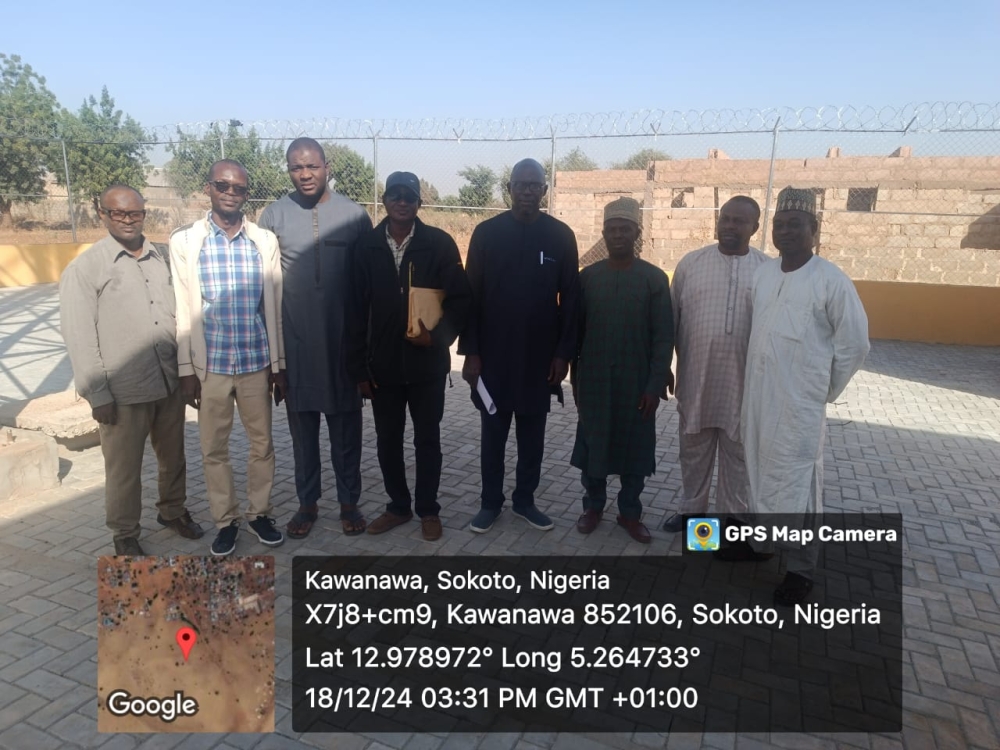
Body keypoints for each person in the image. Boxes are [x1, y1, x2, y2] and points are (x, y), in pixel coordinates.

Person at [733, 186, 870, 605]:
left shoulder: (831, 280)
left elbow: (855, 344)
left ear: (815, 228)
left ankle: (801, 569)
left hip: (799, 406)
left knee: (800, 483)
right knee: (757, 468)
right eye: (779, 224)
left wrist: (822, 390)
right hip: (759, 398)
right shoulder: (763, 274)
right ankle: (761, 546)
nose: (786, 231)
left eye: (796, 224)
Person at [60, 185, 204, 555]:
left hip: (168, 382)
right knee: (125, 470)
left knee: (174, 457)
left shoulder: (162, 258)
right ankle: (124, 532)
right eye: (118, 213)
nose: (127, 220)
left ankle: (172, 511)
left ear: (144, 214)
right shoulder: (86, 269)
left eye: (135, 213)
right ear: (102, 215)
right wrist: (98, 393)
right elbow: (80, 336)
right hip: (122, 393)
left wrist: (187, 373)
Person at [170, 160, 287, 556]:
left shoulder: (263, 241)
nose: (231, 193)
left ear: (246, 194)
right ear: (209, 188)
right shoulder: (186, 242)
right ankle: (226, 520)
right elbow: (183, 310)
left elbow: (274, 306)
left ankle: (259, 514)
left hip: (255, 361)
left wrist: (279, 365)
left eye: (239, 188)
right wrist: (187, 370)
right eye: (223, 185)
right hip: (211, 367)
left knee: (262, 445)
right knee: (214, 449)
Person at [259, 137, 373, 539]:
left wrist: (366, 355)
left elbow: (368, 288)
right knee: (303, 435)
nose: (304, 174)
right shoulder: (272, 216)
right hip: (297, 348)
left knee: (347, 433)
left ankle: (348, 503)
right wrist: (275, 361)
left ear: (327, 166)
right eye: (295, 167)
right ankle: (307, 505)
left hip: (343, 349)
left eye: (311, 166)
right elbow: (264, 290)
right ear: (288, 170)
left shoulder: (355, 216)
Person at [348, 172, 471, 541]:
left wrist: (437, 338)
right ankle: (398, 506)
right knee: (388, 441)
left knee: (427, 440)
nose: (402, 202)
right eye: (395, 195)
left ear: (420, 202)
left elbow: (462, 301)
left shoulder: (439, 244)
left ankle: (428, 509)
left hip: (427, 367)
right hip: (381, 367)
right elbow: (353, 311)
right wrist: (358, 368)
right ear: (384, 200)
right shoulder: (366, 246)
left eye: (410, 196)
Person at [459, 158, 580, 533]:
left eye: (535, 185)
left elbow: (572, 301)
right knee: (493, 435)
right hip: (494, 357)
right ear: (508, 189)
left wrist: (563, 355)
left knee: (532, 436)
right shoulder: (486, 234)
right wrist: (472, 352)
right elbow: (471, 298)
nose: (528, 191)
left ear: (544, 191)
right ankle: (490, 503)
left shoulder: (561, 236)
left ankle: (525, 500)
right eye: (521, 184)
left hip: (538, 359)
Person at [661, 196, 769, 533]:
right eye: (725, 219)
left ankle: (730, 523)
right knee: (693, 452)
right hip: (697, 380)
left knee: (739, 459)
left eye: (739, 221)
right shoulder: (691, 264)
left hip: (746, 387)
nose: (730, 226)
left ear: (755, 226)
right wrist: (664, 365)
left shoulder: (769, 271)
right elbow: (670, 321)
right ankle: (694, 516)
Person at [571, 198, 672, 544]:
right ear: (603, 234)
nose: (617, 235)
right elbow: (575, 331)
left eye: (624, 229)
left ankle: (630, 513)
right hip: (595, 377)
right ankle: (593, 507)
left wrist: (654, 385)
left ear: (636, 233)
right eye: (611, 229)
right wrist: (576, 378)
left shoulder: (654, 279)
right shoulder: (587, 279)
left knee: (636, 448)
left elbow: (664, 337)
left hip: (637, 380)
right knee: (594, 443)